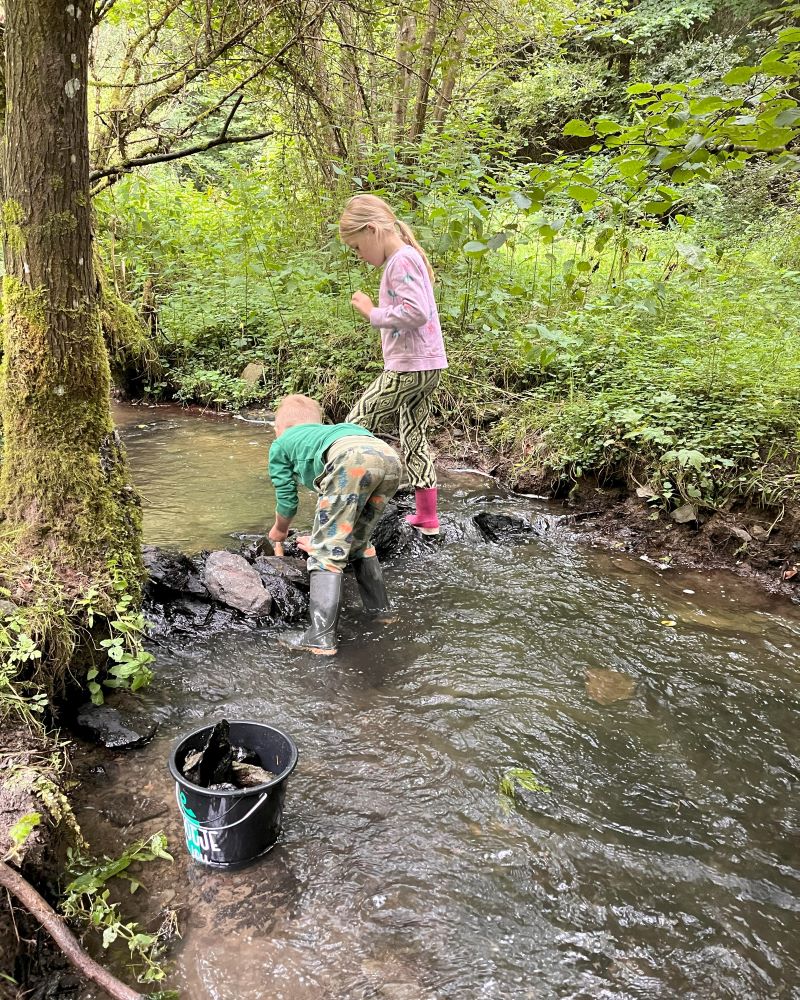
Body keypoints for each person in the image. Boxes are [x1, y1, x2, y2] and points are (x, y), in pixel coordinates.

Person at [339, 193, 447, 536]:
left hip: (410, 366)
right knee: (413, 435)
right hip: (426, 365)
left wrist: (373, 312)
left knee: (352, 428)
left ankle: (340, 521)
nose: (359, 256)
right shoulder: (407, 257)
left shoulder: (400, 260)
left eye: (357, 247)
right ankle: (427, 517)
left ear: (372, 230)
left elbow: (416, 312)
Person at [267, 393, 402, 656]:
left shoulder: (282, 442)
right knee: (360, 540)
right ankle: (381, 613)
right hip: (389, 458)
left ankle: (319, 637)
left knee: (327, 551)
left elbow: (287, 501)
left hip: (350, 460)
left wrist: (280, 530)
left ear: (278, 428)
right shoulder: (327, 433)